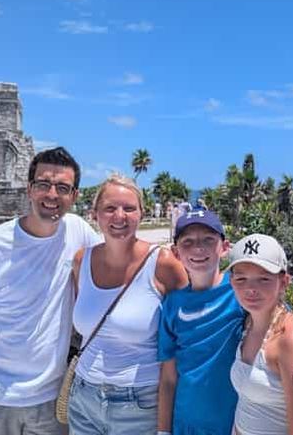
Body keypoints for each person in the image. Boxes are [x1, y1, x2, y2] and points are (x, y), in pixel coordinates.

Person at [0, 147, 101, 435]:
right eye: (43, 184)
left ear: (75, 196)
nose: (52, 195)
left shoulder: (78, 232)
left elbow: (117, 259)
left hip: (47, 400)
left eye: (62, 188)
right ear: (29, 189)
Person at [157, 211, 293, 435]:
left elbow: (290, 326)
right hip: (185, 423)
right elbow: (168, 377)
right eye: (188, 241)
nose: (198, 248)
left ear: (224, 247)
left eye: (208, 240)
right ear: (176, 252)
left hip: (228, 421)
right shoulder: (174, 303)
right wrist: (163, 430)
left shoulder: (242, 293)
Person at [67, 174, 189, 434]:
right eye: (109, 208)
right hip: (84, 398)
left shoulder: (163, 263)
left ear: (141, 214)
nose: (119, 216)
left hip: (140, 403)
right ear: (95, 214)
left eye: (129, 208)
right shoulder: (81, 260)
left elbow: (194, 323)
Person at [229, 234, 293, 435]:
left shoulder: (291, 338)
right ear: (231, 281)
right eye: (241, 278)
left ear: (284, 282)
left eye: (264, 279)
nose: (251, 289)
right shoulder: (248, 323)